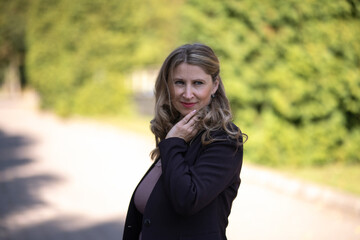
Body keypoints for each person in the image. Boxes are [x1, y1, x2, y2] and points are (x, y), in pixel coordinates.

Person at [123, 43, 247, 240]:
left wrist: (173, 144)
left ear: (214, 85)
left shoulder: (224, 139)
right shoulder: (179, 130)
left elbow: (187, 200)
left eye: (198, 83)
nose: (188, 94)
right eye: (179, 82)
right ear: (168, 85)